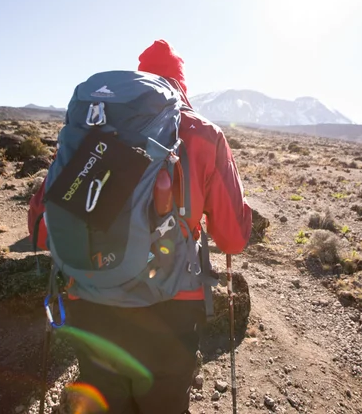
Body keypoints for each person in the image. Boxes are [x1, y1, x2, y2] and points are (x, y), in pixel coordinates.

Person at [28, 39, 252, 414]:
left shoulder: (89, 130)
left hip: (91, 300)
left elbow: (40, 228)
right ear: (182, 86)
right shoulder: (203, 134)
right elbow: (232, 239)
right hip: (171, 311)